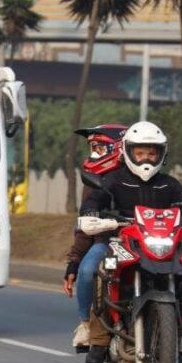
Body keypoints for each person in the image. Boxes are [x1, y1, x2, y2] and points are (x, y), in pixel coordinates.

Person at [76, 121, 182, 363]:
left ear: (161, 154)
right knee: (102, 277)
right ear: (128, 152)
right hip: (123, 243)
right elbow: (97, 198)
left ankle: (178, 335)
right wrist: (91, 212)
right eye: (140, 152)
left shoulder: (169, 184)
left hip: (163, 244)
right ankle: (97, 340)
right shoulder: (114, 180)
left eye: (152, 153)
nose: (146, 158)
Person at [63, 123, 127, 350]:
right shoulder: (94, 182)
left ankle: (175, 329)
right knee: (88, 271)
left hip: (142, 244)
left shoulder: (147, 177)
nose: (93, 154)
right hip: (107, 243)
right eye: (92, 147)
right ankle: (85, 325)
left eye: (99, 148)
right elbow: (84, 226)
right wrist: (73, 263)